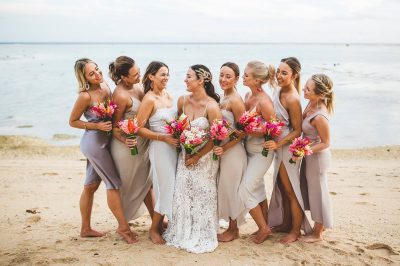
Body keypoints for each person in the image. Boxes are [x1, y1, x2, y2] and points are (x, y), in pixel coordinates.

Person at [69, 58, 136, 244]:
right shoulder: (85, 96)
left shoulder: (105, 86)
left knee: (90, 186)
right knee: (113, 183)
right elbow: (72, 121)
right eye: (91, 74)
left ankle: (85, 228)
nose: (97, 74)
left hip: (106, 142)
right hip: (94, 144)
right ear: (84, 78)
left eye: (97, 69)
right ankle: (124, 227)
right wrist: (96, 126)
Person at [163, 64, 221, 253]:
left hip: (204, 158)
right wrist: (185, 150)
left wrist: (197, 155)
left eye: (189, 77)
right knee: (183, 192)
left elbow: (216, 137)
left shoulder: (212, 106)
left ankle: (202, 231)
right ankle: (181, 231)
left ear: (201, 80)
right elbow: (178, 128)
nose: (185, 80)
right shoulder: (182, 101)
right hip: (184, 155)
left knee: (202, 193)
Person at [265, 57, 312, 244]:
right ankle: (285, 223)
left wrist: (278, 143)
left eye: (284, 73)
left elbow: (297, 130)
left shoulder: (292, 98)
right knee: (282, 189)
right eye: (278, 71)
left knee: (291, 190)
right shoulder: (278, 90)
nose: (279, 75)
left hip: (287, 149)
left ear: (294, 75)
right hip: (279, 147)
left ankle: (295, 231)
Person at [136, 61, 179, 244]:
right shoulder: (149, 99)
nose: (166, 77)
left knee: (173, 186)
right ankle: (154, 229)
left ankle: (163, 223)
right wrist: (163, 138)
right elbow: (138, 128)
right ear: (151, 77)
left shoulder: (169, 95)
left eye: (167, 74)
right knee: (164, 188)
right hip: (160, 148)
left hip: (174, 147)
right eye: (162, 74)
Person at [109, 56, 154, 224]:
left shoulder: (138, 86)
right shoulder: (120, 96)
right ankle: (123, 222)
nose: (139, 77)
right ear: (123, 77)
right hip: (127, 146)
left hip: (142, 142)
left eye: (139, 72)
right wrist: (125, 140)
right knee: (128, 185)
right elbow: (114, 127)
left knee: (146, 182)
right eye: (135, 75)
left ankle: (155, 219)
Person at [239, 60, 276, 244]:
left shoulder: (265, 102)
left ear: (257, 80)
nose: (243, 77)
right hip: (248, 149)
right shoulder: (247, 95)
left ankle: (263, 228)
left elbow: (274, 129)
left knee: (244, 190)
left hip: (262, 152)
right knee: (258, 189)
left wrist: (255, 130)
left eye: (246, 75)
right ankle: (266, 223)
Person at [213, 62, 247, 242]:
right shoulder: (220, 98)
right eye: (221, 75)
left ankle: (234, 229)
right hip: (222, 151)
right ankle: (229, 225)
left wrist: (224, 147)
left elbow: (242, 132)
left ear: (236, 79)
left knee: (232, 189)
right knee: (224, 188)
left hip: (233, 152)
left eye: (228, 76)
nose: (223, 79)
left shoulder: (235, 100)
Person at [299, 74, 334, 243]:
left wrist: (305, 150)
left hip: (318, 158)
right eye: (305, 87)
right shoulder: (311, 103)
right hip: (310, 155)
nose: (304, 91)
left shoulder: (320, 116)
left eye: (308, 89)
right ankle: (318, 226)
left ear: (319, 94)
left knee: (319, 192)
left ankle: (318, 232)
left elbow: (326, 142)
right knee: (312, 192)